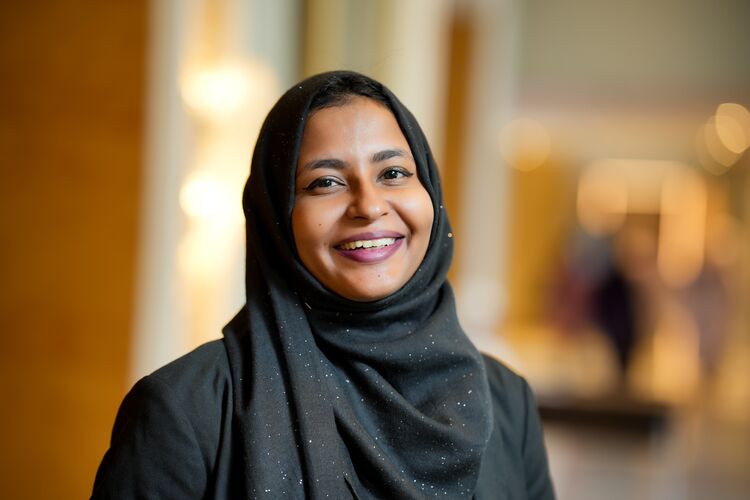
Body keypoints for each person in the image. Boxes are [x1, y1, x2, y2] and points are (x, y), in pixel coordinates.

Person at [92, 71, 555, 499]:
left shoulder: (505, 399)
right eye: (325, 182)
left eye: (393, 173)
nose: (369, 206)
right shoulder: (186, 409)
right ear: (276, 216)